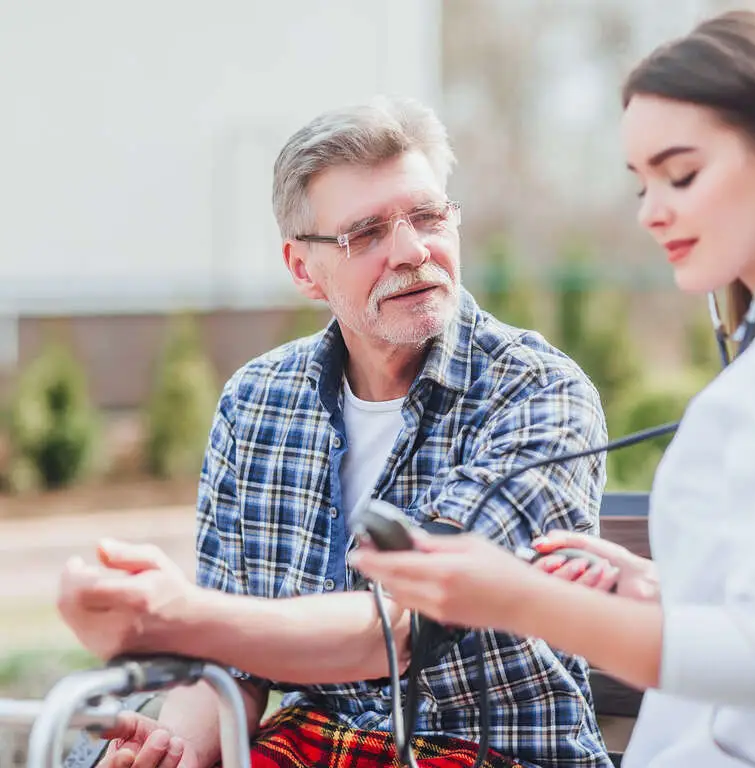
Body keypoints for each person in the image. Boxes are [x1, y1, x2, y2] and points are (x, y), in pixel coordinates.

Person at [351, 9, 755, 768]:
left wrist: (514, 598)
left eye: (681, 174)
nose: (654, 211)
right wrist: (660, 587)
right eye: (641, 183)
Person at [57, 96, 612, 768]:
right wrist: (175, 746)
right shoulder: (256, 403)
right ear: (302, 269)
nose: (412, 250)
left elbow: (410, 621)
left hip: (495, 753)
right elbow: (231, 666)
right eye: (367, 233)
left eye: (429, 217)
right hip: (318, 747)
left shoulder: (538, 392)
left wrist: (178, 615)